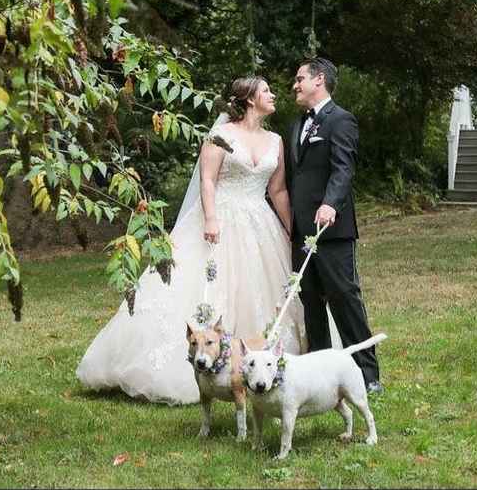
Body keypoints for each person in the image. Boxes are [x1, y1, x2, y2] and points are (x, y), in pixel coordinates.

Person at [76, 76, 307, 405]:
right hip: (221, 216)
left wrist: (290, 229)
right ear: (249, 98)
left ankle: (255, 361)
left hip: (259, 221)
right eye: (266, 90)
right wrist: (211, 217)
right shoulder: (221, 135)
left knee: (262, 286)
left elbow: (278, 190)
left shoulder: (275, 140)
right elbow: (208, 179)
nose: (273, 95)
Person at [285, 57, 382, 395]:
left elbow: (343, 168)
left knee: (344, 298)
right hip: (301, 230)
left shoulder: (341, 120)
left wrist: (330, 203)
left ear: (319, 80)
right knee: (310, 301)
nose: (294, 85)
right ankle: (319, 377)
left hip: (332, 229)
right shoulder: (296, 124)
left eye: (300, 79)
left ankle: (368, 374)